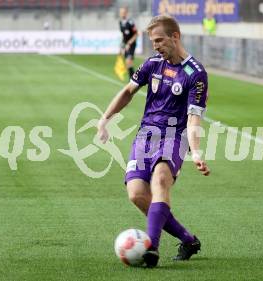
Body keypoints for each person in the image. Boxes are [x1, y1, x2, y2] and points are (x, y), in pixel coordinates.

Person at [97, 15, 210, 268]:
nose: (155, 45)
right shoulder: (152, 64)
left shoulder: (196, 74)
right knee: (137, 195)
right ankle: (188, 240)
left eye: (159, 40)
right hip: (145, 135)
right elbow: (128, 91)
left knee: (160, 179)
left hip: (175, 137)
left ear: (175, 36)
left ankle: (151, 250)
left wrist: (197, 152)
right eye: (152, 41)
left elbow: (193, 120)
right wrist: (104, 119)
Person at [119, 7, 138, 78]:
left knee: (129, 61)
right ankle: (132, 79)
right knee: (127, 64)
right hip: (126, 45)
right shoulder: (120, 22)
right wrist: (121, 46)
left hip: (131, 44)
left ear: (126, 13)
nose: (122, 14)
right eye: (121, 13)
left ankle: (133, 79)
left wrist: (129, 43)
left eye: (123, 13)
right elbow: (123, 35)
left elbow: (136, 34)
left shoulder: (130, 22)